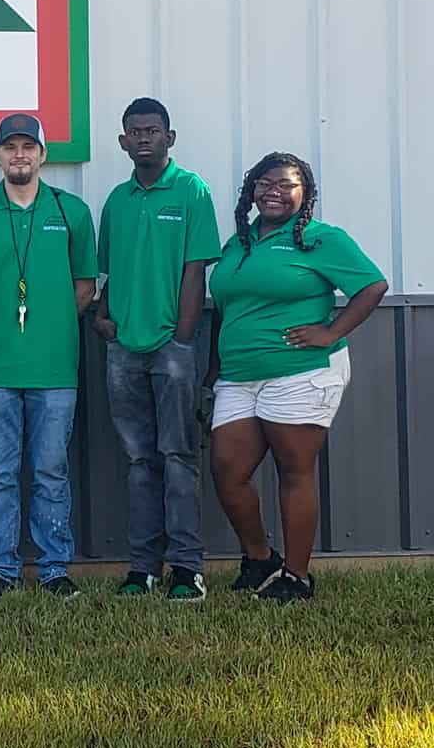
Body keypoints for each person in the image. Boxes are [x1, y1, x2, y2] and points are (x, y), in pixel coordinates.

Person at [205, 151, 387, 603]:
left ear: (304, 194)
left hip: (300, 372)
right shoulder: (239, 243)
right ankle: (260, 559)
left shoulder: (320, 239)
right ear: (251, 191)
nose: (274, 191)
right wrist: (213, 372)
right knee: (227, 469)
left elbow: (372, 285)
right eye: (264, 183)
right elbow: (226, 308)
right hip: (238, 375)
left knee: (294, 469)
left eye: (286, 184)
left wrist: (331, 332)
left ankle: (297, 575)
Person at [0, 114, 98, 601]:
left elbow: (85, 286)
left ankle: (55, 569)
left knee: (51, 469)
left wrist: (49, 323)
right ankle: (1, 570)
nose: (20, 155)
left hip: (56, 366)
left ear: (43, 154)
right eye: (10, 147)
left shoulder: (71, 211)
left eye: (28, 147)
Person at [94, 98, 221, 602]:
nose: (143, 138)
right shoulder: (117, 201)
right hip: (123, 347)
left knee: (178, 455)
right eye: (134, 132)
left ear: (170, 137)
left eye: (153, 130)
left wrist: (182, 338)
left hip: (172, 347)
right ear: (123, 142)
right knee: (138, 459)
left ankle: (187, 569)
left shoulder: (191, 191)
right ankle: (142, 568)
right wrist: (103, 319)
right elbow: (111, 270)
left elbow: (196, 271)